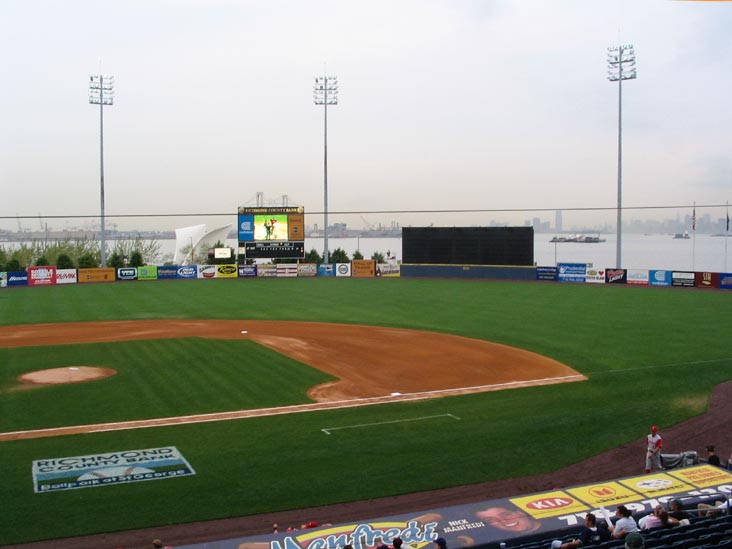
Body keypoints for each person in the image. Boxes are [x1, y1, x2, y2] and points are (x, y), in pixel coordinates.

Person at [474, 506, 541, 534]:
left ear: (520, 513)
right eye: (490, 520)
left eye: (506, 515)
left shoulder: (547, 526)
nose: (503, 521)